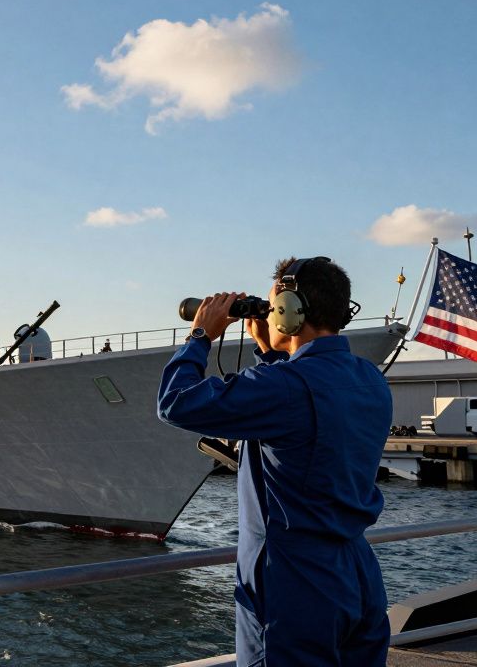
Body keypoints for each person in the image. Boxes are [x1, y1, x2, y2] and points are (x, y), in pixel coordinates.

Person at [156, 257, 391, 666]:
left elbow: (175, 403)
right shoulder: (368, 377)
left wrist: (201, 335)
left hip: (293, 583)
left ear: (289, 310)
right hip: (357, 574)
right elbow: (302, 416)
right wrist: (270, 352)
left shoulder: (284, 387)